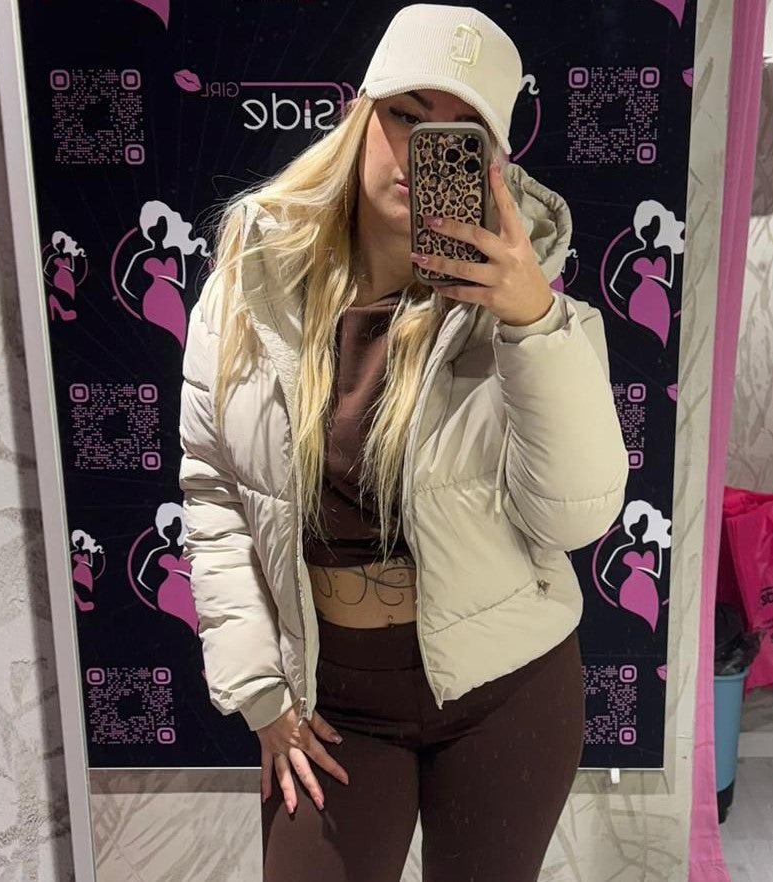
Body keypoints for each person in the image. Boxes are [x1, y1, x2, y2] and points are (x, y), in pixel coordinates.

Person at [178, 4, 630, 880]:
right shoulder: (253, 282)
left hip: (507, 691)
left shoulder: (534, 312)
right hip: (333, 701)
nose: (423, 150)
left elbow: (575, 518)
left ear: (493, 164)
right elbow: (214, 489)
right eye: (407, 116)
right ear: (360, 114)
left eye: (459, 136)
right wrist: (259, 690)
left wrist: (531, 323)